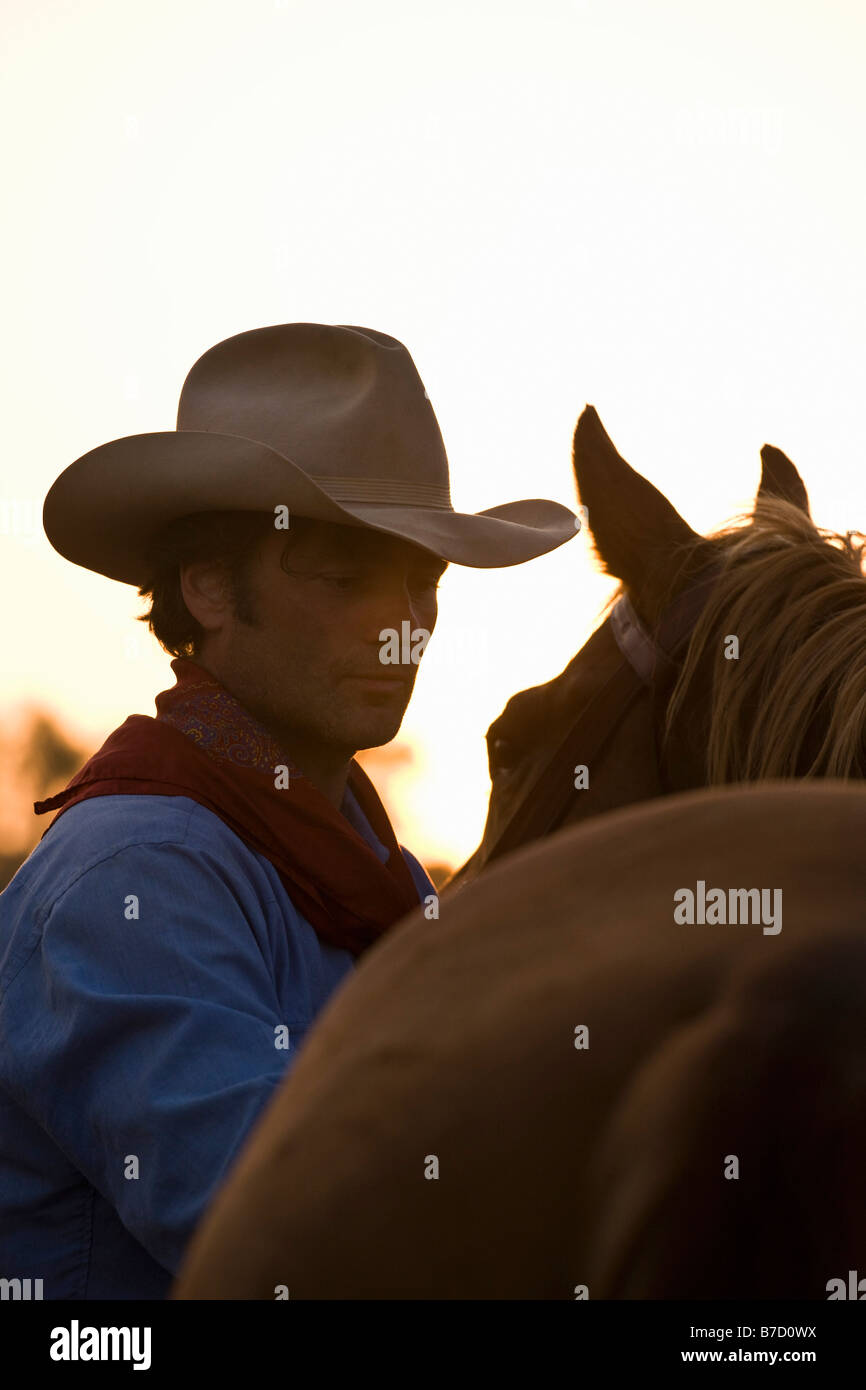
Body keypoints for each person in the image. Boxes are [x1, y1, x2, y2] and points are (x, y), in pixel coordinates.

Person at [0, 322, 576, 1299]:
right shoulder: (139, 870)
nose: (402, 626)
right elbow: (295, 1235)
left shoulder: (355, 859)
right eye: (346, 578)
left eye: (421, 581)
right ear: (209, 586)